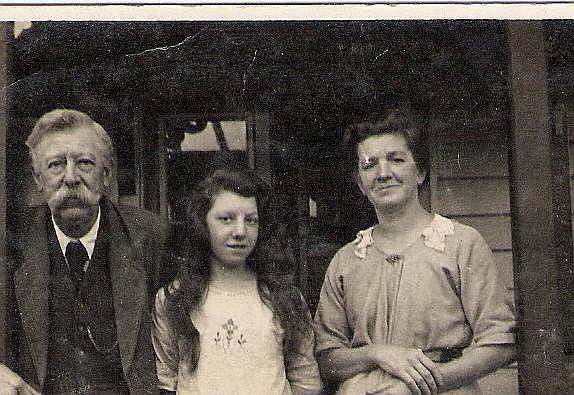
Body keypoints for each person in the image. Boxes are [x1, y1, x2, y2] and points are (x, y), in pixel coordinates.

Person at [313, 108, 516, 395]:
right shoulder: (346, 260)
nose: (383, 174)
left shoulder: (460, 243)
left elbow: (501, 341)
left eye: (396, 160)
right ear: (360, 184)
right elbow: (327, 357)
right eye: (370, 165)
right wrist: (379, 354)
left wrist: (425, 383)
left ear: (419, 172)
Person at [3, 109, 168, 394]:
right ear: (38, 178)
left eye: (84, 163)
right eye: (55, 165)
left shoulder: (151, 238)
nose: (71, 178)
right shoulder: (10, 242)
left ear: (106, 174)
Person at [152, 169, 321, 395]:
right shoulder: (174, 299)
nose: (240, 231)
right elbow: (166, 380)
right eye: (226, 219)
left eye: (251, 220)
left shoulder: (284, 298)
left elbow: (305, 381)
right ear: (203, 223)